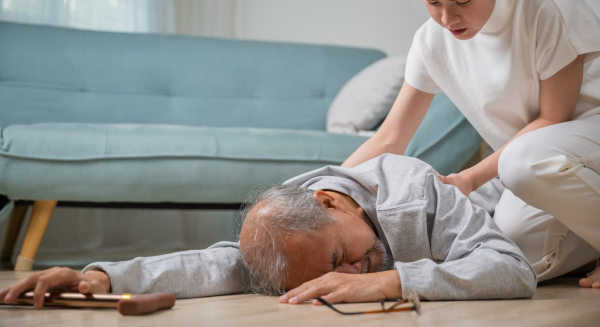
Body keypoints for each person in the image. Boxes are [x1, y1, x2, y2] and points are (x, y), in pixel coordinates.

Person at [342, 0, 600, 288]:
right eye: (432, 2)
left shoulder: (545, 4)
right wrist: (317, 190)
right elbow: (390, 137)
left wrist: (469, 178)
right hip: (538, 166)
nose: (448, 19)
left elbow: (553, 119)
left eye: (462, 0)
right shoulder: (432, 42)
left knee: (521, 164)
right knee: (507, 257)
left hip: (578, 141)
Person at [0, 154, 536, 308]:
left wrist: (390, 282)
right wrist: (97, 274)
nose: (347, 276)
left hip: (527, 222)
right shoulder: (294, 226)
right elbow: (218, 263)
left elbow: (513, 269)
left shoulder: (414, 189)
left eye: (335, 259)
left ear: (331, 203)